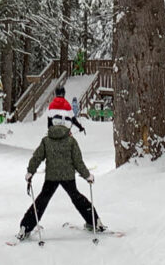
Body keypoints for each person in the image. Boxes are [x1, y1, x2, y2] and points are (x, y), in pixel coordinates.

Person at [16, 96, 102, 239]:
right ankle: (94, 221)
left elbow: (37, 157)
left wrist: (30, 172)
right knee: (77, 198)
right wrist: (87, 176)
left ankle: (26, 226)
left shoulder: (46, 140)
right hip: (68, 176)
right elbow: (78, 162)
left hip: (51, 177)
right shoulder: (71, 141)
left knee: (42, 200)